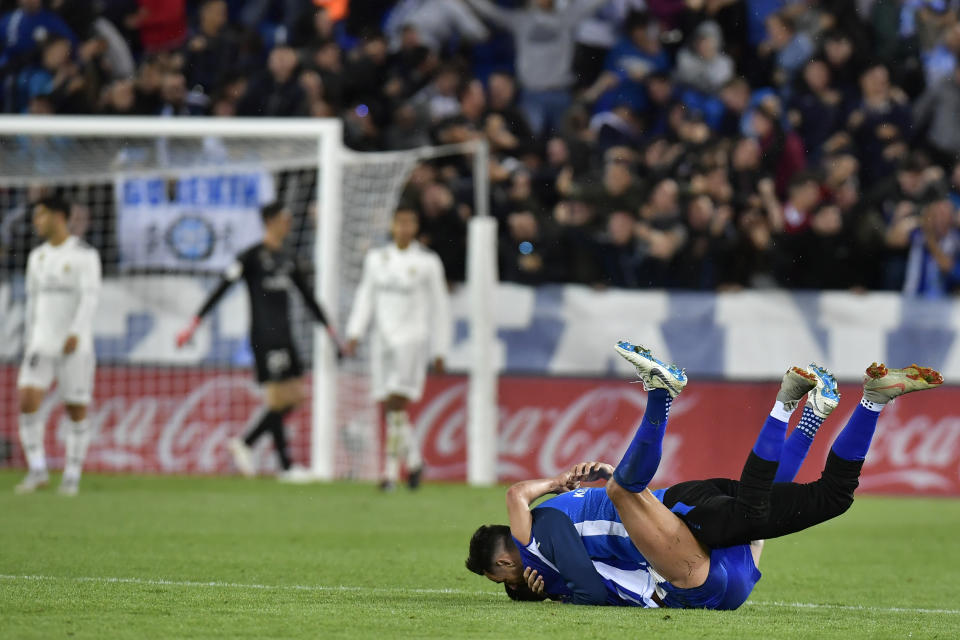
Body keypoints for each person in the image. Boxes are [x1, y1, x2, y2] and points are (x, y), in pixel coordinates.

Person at [466, 341, 943, 608]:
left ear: (501, 568)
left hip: (689, 552)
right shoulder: (539, 543)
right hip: (694, 535)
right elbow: (516, 492)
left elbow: (581, 580)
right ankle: (865, 402)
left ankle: (671, 395)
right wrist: (557, 483)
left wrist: (553, 593)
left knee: (635, 490)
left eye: (499, 579)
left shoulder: (537, 545)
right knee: (827, 498)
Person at [175, 203, 340, 482]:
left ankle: (254, 448)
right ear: (271, 221)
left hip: (286, 336)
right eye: (284, 219)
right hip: (265, 335)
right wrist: (194, 323)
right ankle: (280, 464)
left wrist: (331, 331)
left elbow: (309, 299)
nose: (288, 224)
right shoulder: (251, 257)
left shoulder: (288, 259)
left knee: (292, 397)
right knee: (281, 398)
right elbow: (221, 288)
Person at [343, 206, 452, 490]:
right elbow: (365, 295)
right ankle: (414, 463)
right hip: (382, 340)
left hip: (412, 340)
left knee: (396, 402)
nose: (404, 227)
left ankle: (389, 474)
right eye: (399, 222)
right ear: (392, 225)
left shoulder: (428, 262)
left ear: (416, 226)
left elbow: (441, 308)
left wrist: (440, 348)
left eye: (410, 222)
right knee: (390, 408)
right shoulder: (377, 259)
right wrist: (355, 332)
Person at [16, 196, 101, 496]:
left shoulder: (84, 255)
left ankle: (72, 475)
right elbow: (32, 303)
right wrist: (29, 339)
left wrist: (77, 331)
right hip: (41, 343)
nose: (36, 222)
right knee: (27, 400)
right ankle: (37, 469)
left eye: (41, 216)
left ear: (59, 216)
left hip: (73, 345)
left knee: (76, 409)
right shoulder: (36, 257)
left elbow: (90, 297)